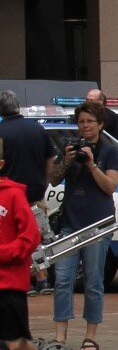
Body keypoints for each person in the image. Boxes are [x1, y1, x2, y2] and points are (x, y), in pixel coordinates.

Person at [51, 101, 118, 350]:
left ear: (100, 124)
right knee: (62, 280)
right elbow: (53, 179)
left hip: (98, 225)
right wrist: (66, 161)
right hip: (70, 224)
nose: (85, 126)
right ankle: (60, 336)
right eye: (81, 122)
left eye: (90, 121)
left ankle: (90, 335)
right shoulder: (71, 148)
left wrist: (92, 164)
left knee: (93, 281)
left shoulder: (110, 152)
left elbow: (110, 187)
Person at [0, 137, 58, 350]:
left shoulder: (12, 195)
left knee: (16, 342)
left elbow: (30, 237)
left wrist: (4, 253)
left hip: (8, 282)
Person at [0, 90, 56, 294]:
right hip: (34, 192)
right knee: (34, 235)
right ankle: (42, 278)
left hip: (8, 193)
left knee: (12, 237)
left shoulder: (1, 132)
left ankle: (28, 278)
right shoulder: (37, 128)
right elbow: (50, 159)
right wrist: (44, 184)